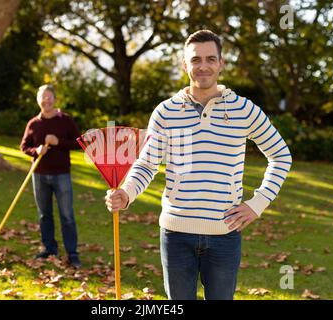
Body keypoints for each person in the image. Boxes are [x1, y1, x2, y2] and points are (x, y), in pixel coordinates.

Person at [104, 30, 292, 299]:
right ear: (185, 64)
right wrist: (126, 193)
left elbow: (281, 156)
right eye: (195, 60)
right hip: (176, 234)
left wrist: (257, 204)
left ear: (221, 63)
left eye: (210, 59)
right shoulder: (166, 112)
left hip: (224, 236)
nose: (203, 66)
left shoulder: (244, 110)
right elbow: (146, 165)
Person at [21, 84, 82, 268]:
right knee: (44, 214)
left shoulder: (65, 120)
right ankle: (49, 248)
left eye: (49, 96)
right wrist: (36, 150)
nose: (45, 100)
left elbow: (79, 143)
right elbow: (24, 147)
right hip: (39, 175)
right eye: (42, 97)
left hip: (61, 174)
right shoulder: (34, 123)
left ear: (54, 99)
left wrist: (59, 142)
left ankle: (72, 253)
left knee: (67, 215)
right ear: (38, 100)